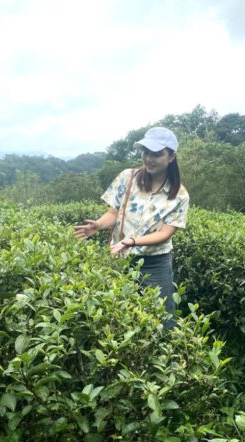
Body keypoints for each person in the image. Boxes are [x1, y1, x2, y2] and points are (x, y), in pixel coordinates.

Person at [74, 127, 189, 329]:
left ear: (171, 156)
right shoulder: (127, 178)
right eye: (145, 152)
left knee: (162, 318)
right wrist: (99, 225)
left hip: (155, 263)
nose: (148, 158)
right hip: (120, 257)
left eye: (156, 153)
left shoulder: (179, 195)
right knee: (117, 312)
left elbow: (165, 234)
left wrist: (132, 241)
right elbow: (113, 213)